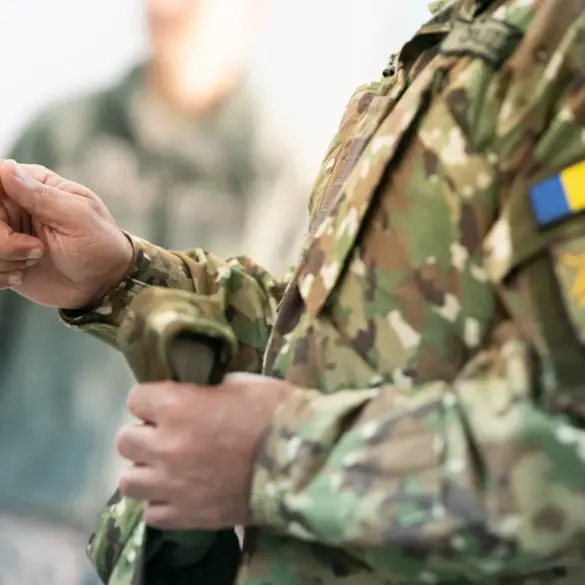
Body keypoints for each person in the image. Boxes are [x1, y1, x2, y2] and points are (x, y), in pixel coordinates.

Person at [1, 0, 585, 584]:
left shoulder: (562, 43)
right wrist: (123, 279)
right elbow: (321, 346)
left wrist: (278, 453)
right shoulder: (453, 40)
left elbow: (567, 444)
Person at [0, 0, 307, 583]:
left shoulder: (280, 182)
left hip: (161, 537)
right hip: (26, 510)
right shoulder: (61, 137)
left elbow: (279, 355)